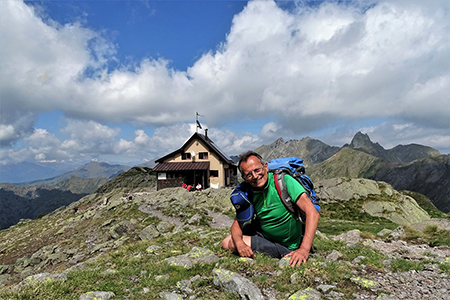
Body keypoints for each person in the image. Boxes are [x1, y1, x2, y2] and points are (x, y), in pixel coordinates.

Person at [221, 151, 320, 267]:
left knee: (228, 242)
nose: (255, 176)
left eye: (257, 170)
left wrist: (304, 249)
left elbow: (313, 213)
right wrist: (240, 244)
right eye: (249, 174)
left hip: (286, 245)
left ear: (266, 167)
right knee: (232, 241)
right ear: (244, 178)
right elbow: (237, 225)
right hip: (264, 234)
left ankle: (283, 250)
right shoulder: (249, 191)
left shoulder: (284, 181)